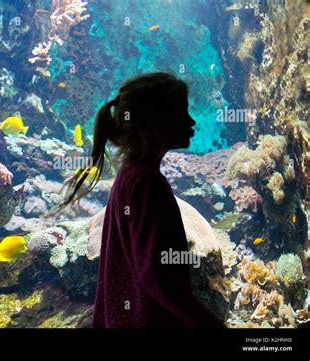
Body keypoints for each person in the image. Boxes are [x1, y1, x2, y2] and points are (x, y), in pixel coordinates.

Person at [63, 72, 225, 328]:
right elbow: (153, 274)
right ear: (156, 124)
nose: (192, 121)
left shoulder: (130, 174)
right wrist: (208, 324)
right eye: (182, 112)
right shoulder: (146, 183)